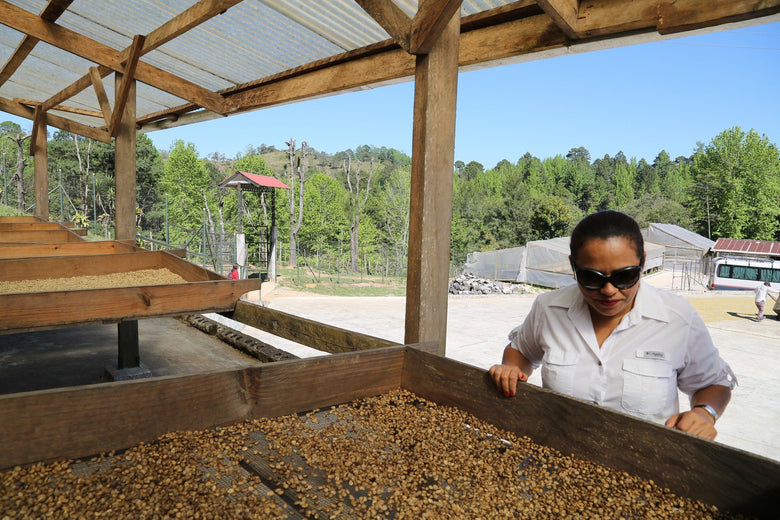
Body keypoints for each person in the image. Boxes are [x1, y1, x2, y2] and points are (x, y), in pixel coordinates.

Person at [489, 210, 736, 440]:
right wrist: (511, 369)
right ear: (573, 266)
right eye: (591, 278)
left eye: (624, 276)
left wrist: (704, 413)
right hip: (558, 451)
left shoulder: (677, 318)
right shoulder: (548, 309)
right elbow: (521, 352)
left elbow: (714, 383)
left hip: (647, 463)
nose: (608, 290)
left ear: (643, 262)